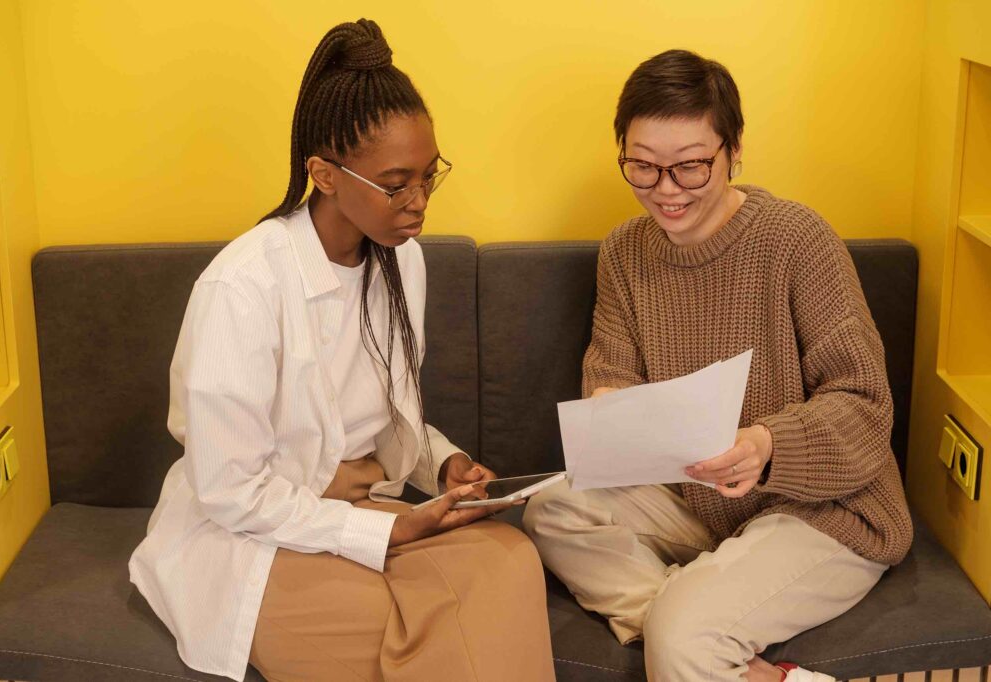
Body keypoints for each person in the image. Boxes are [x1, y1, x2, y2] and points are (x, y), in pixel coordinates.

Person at [129, 18, 555, 682]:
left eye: (428, 175)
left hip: (375, 507)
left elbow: (385, 418)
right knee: (404, 624)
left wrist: (443, 466)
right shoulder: (241, 290)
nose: (418, 203)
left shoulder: (402, 261)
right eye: (395, 184)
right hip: (264, 530)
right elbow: (230, 490)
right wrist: (383, 535)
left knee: (507, 561)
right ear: (324, 174)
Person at [523, 49, 912, 682]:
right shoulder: (625, 251)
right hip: (697, 502)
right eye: (643, 167)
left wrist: (766, 445)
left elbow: (865, 407)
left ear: (734, 151)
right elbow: (611, 375)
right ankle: (734, 650)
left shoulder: (798, 240)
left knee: (683, 633)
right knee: (552, 510)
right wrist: (611, 408)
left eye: (690, 167)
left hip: (821, 511)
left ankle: (693, 628)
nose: (666, 191)